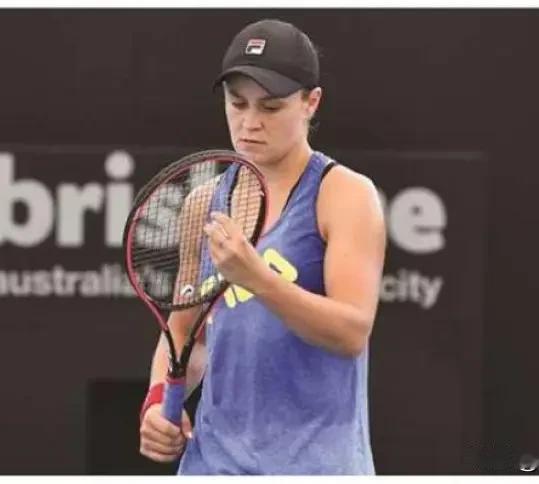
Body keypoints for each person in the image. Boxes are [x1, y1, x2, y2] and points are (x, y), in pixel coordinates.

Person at [138, 18, 386, 475]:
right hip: (214, 464)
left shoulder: (345, 195)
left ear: (311, 102)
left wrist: (257, 279)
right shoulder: (202, 205)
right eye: (237, 104)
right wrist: (157, 400)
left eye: (270, 107)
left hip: (316, 466)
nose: (249, 123)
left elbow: (351, 333)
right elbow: (185, 336)